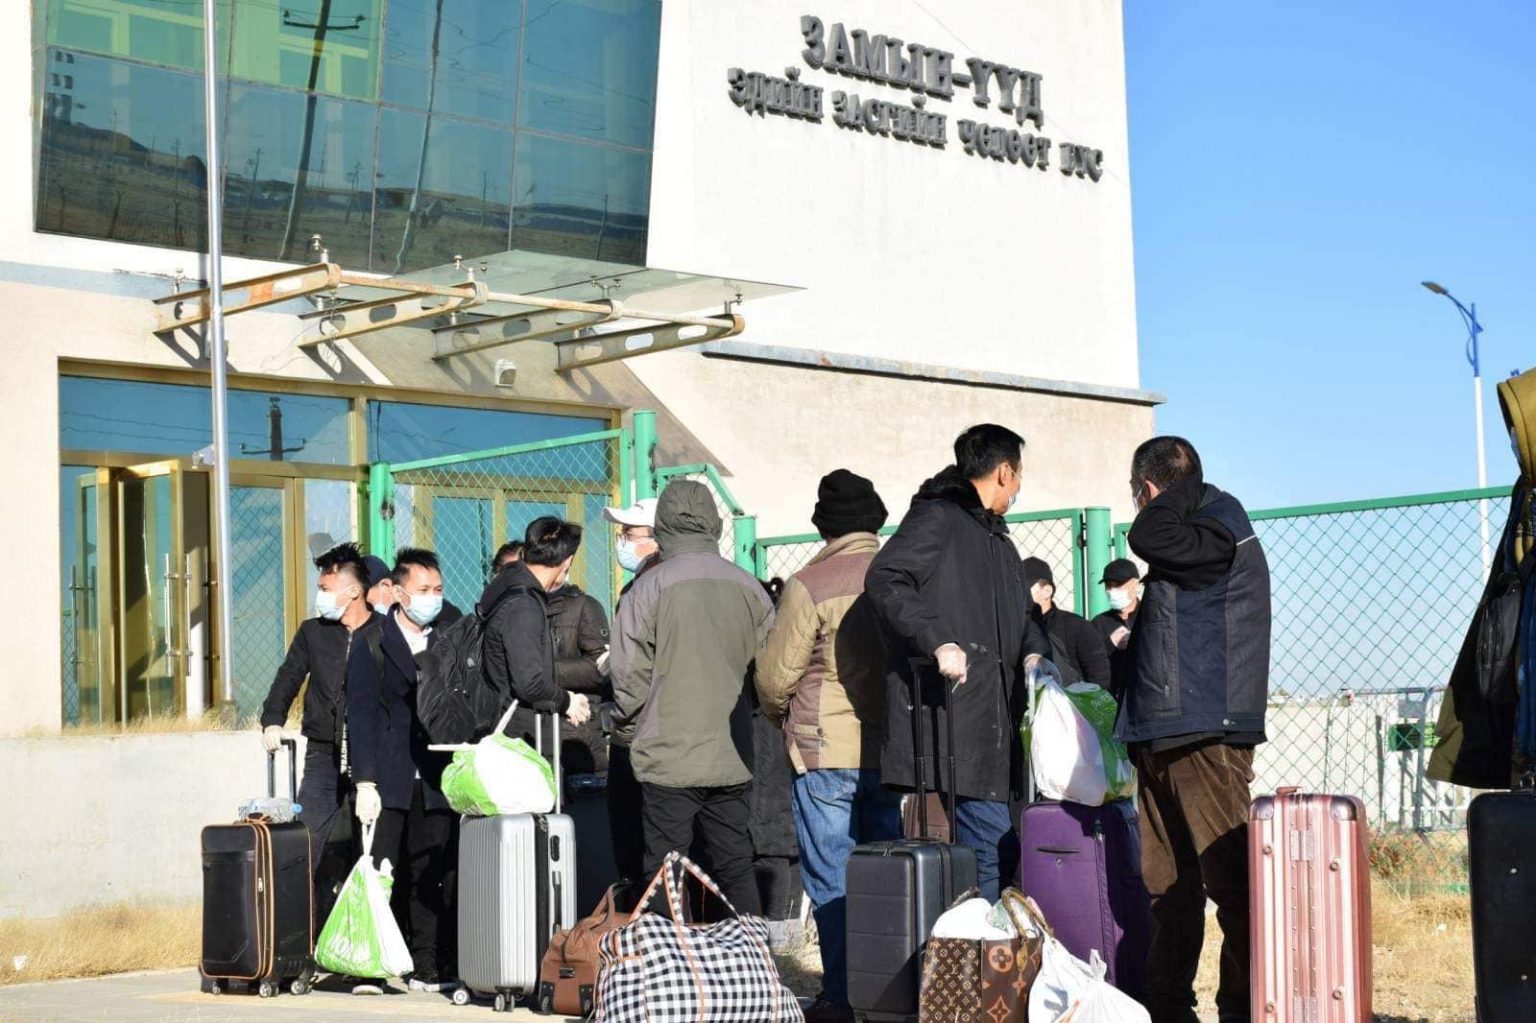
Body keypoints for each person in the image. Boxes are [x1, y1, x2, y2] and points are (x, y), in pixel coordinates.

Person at [864, 424, 1058, 902]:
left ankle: (988, 938)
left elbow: (1025, 616)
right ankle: (981, 942)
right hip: (954, 716)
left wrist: (1035, 651)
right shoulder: (938, 518)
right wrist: (938, 641)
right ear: (1005, 472)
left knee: (1002, 847)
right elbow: (886, 578)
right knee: (989, 848)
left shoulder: (1000, 542)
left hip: (998, 720)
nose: (1018, 487)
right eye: (1019, 476)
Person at [1115, 436, 1270, 1023]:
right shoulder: (1198, 526)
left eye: (1140, 495)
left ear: (1148, 489)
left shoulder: (1217, 526)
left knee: (1234, 889)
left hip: (1205, 734)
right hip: (1165, 733)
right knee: (1170, 890)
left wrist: (1168, 495)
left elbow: (1148, 535)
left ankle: (1243, 1009)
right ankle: (1168, 1009)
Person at [757, 469, 897, 1023]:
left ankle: (840, 994)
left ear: (825, 526)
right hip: (890, 752)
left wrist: (784, 721)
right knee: (888, 877)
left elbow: (774, 679)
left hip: (823, 751)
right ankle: (888, 993)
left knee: (832, 878)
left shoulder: (810, 583)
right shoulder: (901, 572)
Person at [609, 480, 773, 915]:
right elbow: (770, 671)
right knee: (735, 863)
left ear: (662, 525)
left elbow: (628, 675)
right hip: (732, 750)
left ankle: (665, 954)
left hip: (667, 752)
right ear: (714, 524)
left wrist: (630, 727)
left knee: (664, 870)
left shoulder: (648, 588)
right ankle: (752, 951)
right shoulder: (749, 587)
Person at [258, 543, 378, 987]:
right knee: (304, 847)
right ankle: (297, 951)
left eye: (327, 588)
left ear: (353, 591)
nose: (320, 596)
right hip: (324, 755)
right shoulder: (314, 633)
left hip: (371, 757)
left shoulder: (382, 634)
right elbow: (288, 676)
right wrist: (272, 719)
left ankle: (366, 956)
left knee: (368, 853)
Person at [344, 547, 464, 993]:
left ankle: (428, 962)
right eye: (423, 589)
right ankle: (371, 965)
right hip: (389, 775)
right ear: (396, 592)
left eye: (438, 589)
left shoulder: (450, 635)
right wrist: (364, 780)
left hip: (435, 775)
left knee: (432, 872)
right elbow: (361, 715)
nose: (433, 597)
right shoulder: (372, 642)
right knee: (380, 869)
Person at [481, 518, 593, 753]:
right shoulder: (524, 605)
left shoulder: (508, 587)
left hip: (508, 723)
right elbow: (529, 683)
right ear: (567, 561)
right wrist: (566, 701)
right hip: (520, 734)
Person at [601, 497, 661, 902]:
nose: (622, 541)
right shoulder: (636, 585)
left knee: (638, 837)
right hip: (642, 724)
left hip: (643, 728)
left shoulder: (651, 585)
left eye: (629, 533)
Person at [547, 572, 611, 774]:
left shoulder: (584, 606)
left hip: (575, 729)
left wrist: (541, 673)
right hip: (526, 729)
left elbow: (600, 667)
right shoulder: (513, 609)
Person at [1021, 556, 1111, 688]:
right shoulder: (1014, 628)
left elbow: (1099, 677)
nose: (1019, 594)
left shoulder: (1076, 626)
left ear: (1047, 591)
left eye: (1025, 588)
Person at [1092, 558, 1142, 700]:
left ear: (1137, 585)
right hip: (1112, 697)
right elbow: (1090, 662)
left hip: (1145, 695)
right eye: (1108, 585)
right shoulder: (1099, 622)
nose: (1112, 591)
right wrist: (1110, 644)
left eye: (1119, 585)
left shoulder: (1150, 615)